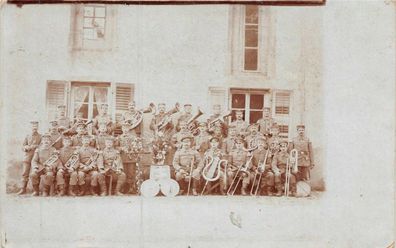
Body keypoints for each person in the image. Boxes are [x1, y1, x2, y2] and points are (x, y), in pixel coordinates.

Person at [115, 122, 143, 194]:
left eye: (127, 128)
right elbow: (116, 147)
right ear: (122, 129)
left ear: (129, 129)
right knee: (124, 173)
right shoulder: (119, 138)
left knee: (131, 173)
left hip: (131, 158)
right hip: (123, 158)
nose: (125, 130)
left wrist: (133, 149)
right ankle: (124, 188)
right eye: (124, 128)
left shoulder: (133, 138)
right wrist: (121, 148)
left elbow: (138, 147)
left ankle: (131, 188)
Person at [17, 121, 42, 195]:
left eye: (36, 126)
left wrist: (36, 146)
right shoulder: (27, 136)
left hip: (37, 157)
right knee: (25, 173)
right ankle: (23, 189)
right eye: (33, 126)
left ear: (38, 127)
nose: (34, 127)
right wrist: (26, 147)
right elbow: (23, 146)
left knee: (36, 172)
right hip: (27, 156)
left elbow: (42, 146)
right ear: (31, 127)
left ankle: (36, 190)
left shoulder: (41, 136)